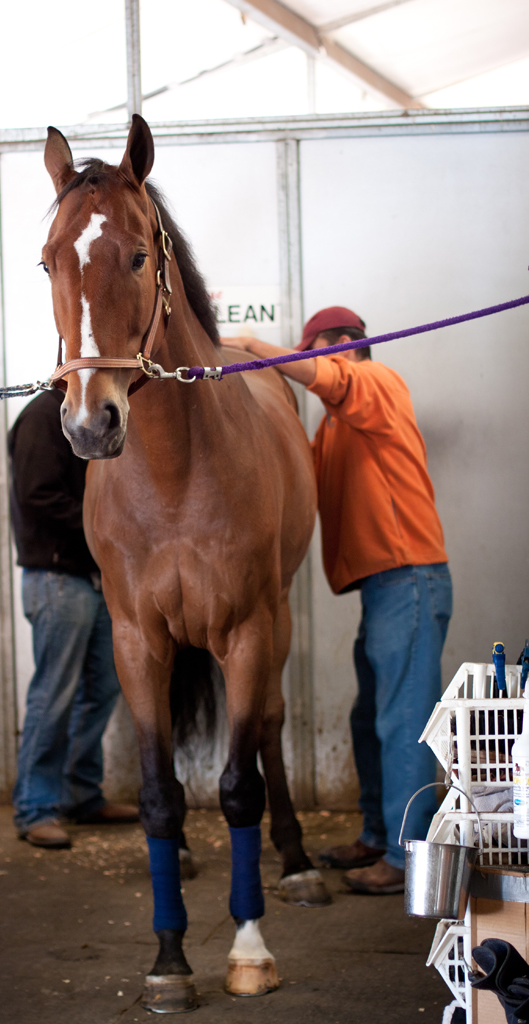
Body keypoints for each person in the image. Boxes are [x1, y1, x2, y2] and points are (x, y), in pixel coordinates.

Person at [221, 307, 452, 894]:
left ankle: (407, 862)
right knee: (369, 716)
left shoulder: (378, 383)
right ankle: (378, 834)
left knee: (402, 723)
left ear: (341, 345)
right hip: (384, 587)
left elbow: (339, 379)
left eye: (313, 353)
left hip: (410, 580)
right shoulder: (335, 427)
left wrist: (250, 344)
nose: (311, 368)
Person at [8, 387, 139, 849]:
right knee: (55, 695)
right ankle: (35, 807)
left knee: (100, 690)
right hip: (56, 576)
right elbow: (38, 495)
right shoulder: (43, 417)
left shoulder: (91, 416)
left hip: (93, 575)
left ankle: (81, 794)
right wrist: (104, 528)